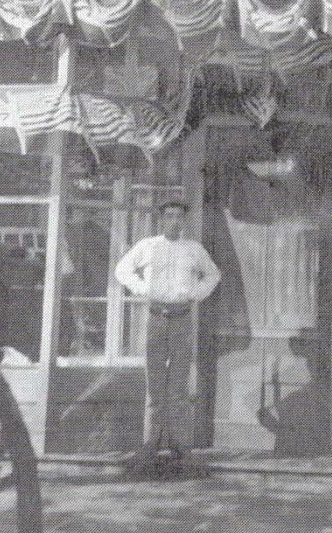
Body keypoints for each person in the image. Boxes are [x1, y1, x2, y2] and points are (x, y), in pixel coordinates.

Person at [114, 200, 220, 476]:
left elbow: (213, 275)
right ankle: (149, 446)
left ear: (184, 221)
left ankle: (180, 447)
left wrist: (195, 293)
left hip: (183, 319)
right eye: (169, 216)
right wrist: (142, 289)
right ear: (161, 219)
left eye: (179, 216)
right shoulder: (148, 246)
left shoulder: (193, 249)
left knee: (179, 386)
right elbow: (122, 270)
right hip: (156, 319)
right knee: (154, 385)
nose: (174, 221)